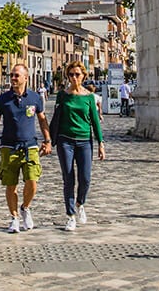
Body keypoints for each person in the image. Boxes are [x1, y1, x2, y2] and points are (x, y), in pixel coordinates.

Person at [0, 63, 52, 234]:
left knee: (32, 181)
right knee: (11, 184)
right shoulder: (3, 99)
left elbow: (42, 120)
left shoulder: (35, 98)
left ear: (26, 78)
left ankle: (25, 207)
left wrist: (47, 140)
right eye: (12, 75)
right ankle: (14, 217)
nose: (13, 78)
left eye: (17, 75)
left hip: (30, 145)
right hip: (9, 146)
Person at [49, 61, 105, 231]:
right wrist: (50, 139)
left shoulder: (89, 97)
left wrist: (101, 143)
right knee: (68, 178)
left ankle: (81, 203)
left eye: (77, 74)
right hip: (65, 141)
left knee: (85, 178)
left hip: (84, 141)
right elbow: (56, 118)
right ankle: (70, 215)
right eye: (71, 74)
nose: (74, 77)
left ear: (84, 76)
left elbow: (95, 121)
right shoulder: (62, 95)